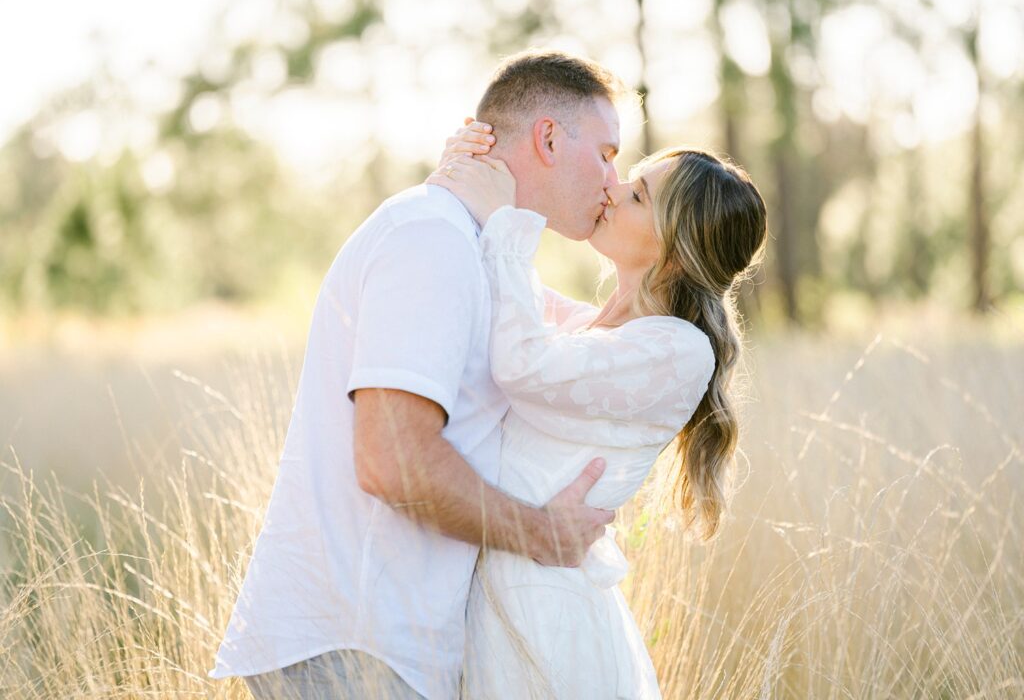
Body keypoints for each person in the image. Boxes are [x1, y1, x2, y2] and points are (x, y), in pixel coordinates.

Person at [209, 49, 632, 700]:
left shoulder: (479, 248)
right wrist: (542, 532)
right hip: (353, 647)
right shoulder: (430, 239)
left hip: (386, 650)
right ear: (548, 137)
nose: (612, 178)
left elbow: (605, 344)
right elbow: (391, 459)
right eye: (606, 153)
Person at [427, 128, 768, 698]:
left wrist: (505, 218)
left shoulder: (677, 351)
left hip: (544, 614)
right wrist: (474, 176)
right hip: (500, 590)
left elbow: (522, 364)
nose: (612, 188)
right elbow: (514, 297)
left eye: (638, 195)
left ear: (677, 250)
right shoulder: (597, 328)